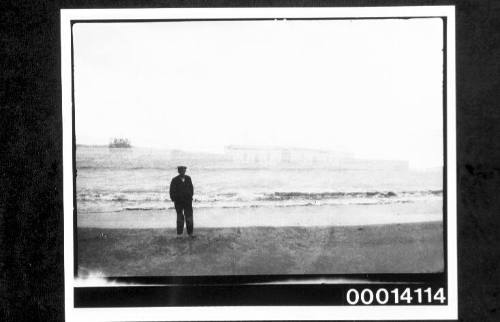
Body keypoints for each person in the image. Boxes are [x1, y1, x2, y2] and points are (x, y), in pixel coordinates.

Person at [169, 166, 194, 237]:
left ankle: (190, 234)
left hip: (188, 201)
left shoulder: (188, 178)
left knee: (189, 217)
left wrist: (190, 196)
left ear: (185, 170)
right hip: (178, 202)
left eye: (184, 169)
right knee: (180, 217)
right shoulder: (174, 180)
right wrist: (174, 199)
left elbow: (191, 189)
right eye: (181, 170)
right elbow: (171, 191)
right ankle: (179, 234)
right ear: (178, 171)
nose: (182, 171)